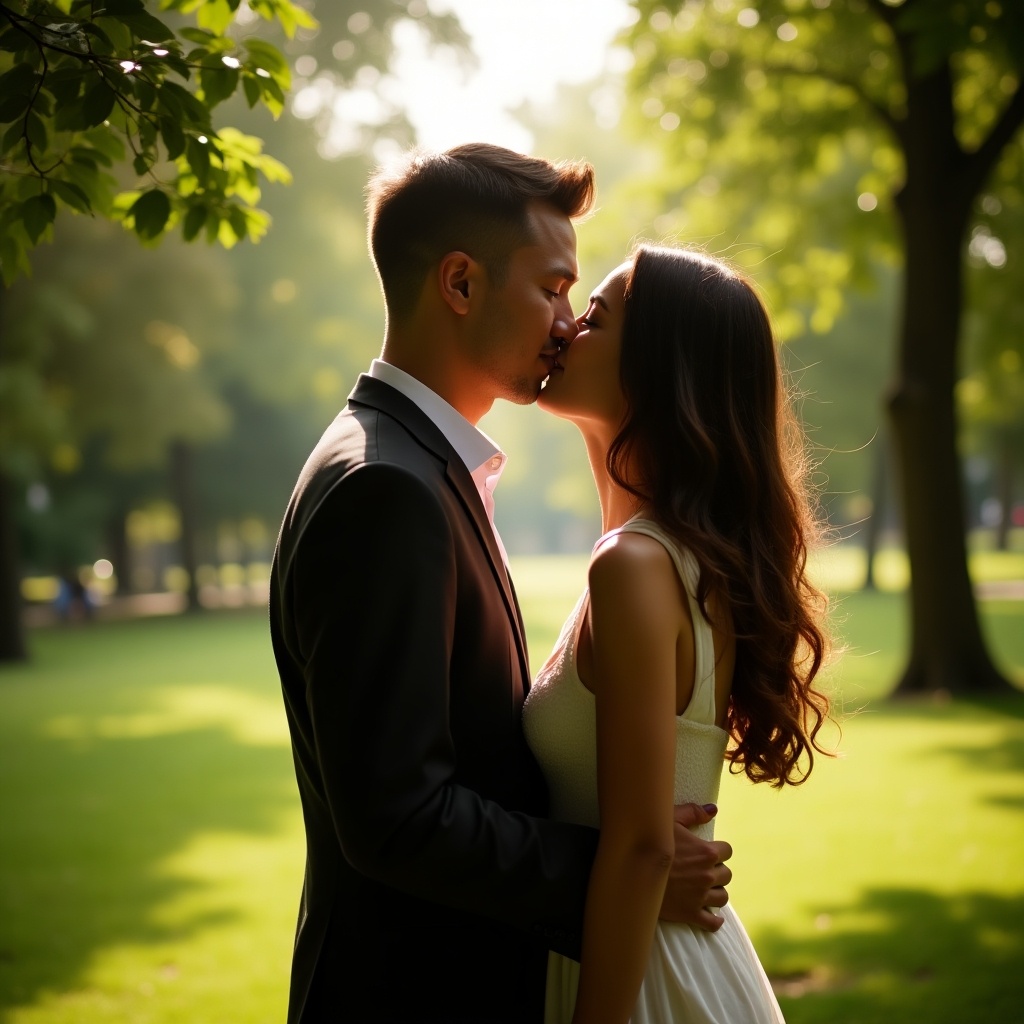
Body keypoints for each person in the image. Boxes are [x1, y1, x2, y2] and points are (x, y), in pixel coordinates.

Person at [269, 147, 735, 1024]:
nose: (567, 322)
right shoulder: (386, 488)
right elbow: (398, 816)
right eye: (554, 288)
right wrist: (618, 868)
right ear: (459, 284)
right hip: (411, 990)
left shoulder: (415, 466)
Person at [524, 244, 833, 1024]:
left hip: (638, 977)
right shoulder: (675, 560)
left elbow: (644, 848)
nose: (562, 330)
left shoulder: (634, 566)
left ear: (658, 367)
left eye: (592, 317)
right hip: (668, 955)